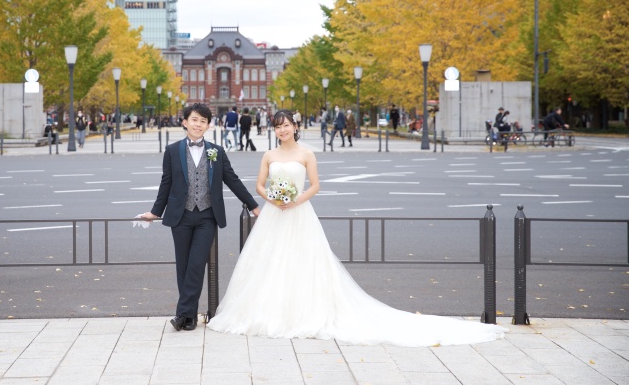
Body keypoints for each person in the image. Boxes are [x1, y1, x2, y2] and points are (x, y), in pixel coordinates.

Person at [207, 109, 507, 346]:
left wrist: (295, 200)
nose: (282, 130)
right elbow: (259, 184)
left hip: (298, 212)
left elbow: (316, 185)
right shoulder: (269, 155)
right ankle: (266, 314)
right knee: (269, 263)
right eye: (277, 126)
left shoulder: (306, 154)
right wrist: (272, 196)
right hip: (275, 213)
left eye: (286, 125)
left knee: (303, 262)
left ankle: (302, 313)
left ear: (295, 127)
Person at [141, 103, 259, 332]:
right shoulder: (172, 151)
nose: (198, 124)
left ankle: (181, 314)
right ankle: (190, 317)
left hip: (207, 216)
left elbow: (232, 180)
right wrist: (156, 212)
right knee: (183, 268)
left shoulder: (217, 151)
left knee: (196, 265)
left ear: (208, 125)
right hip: (180, 215)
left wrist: (253, 205)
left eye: (203, 121)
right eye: (194, 119)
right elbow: (166, 184)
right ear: (185, 122)